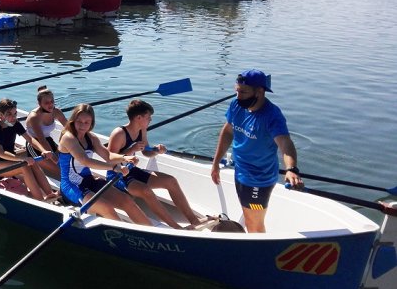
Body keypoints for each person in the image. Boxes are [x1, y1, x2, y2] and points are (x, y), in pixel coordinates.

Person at [210, 70, 302, 233]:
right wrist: (216, 162)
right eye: (237, 91)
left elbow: (285, 143)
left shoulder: (272, 115)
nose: (238, 96)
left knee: (253, 222)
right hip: (240, 172)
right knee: (248, 214)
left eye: (243, 92)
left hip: (259, 181)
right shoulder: (236, 105)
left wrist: (291, 169)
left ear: (260, 91)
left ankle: (258, 253)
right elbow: (228, 131)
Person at [108, 99, 205, 229]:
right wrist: (131, 150)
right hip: (117, 175)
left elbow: (146, 152)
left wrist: (156, 151)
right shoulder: (119, 133)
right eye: (148, 117)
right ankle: (176, 228)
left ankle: (194, 220)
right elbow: (109, 160)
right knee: (146, 191)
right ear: (138, 117)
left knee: (171, 181)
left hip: (132, 170)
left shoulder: (142, 130)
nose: (150, 120)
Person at [58, 104, 151, 224]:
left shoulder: (91, 138)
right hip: (71, 185)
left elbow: (108, 156)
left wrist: (125, 158)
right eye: (79, 121)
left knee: (127, 200)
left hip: (89, 180)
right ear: (73, 121)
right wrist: (114, 167)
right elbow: (86, 161)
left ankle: (152, 232)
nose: (82, 125)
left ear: (91, 124)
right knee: (106, 208)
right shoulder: (68, 138)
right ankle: (124, 237)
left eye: (86, 122)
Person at [0, 98, 58, 202]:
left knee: (33, 163)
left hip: (10, 160)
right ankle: (40, 200)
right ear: (1, 115)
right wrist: (23, 159)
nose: (13, 117)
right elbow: (1, 153)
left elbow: (30, 139)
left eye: (15, 114)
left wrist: (43, 150)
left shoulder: (14, 123)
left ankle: (50, 194)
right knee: (24, 166)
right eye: (9, 114)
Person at [25, 86, 68, 179]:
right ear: (39, 104)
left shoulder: (57, 112)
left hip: (49, 141)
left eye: (52, 101)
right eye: (46, 103)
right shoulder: (34, 117)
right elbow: (42, 140)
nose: (50, 105)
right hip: (34, 144)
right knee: (60, 169)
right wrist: (54, 159)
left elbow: (70, 128)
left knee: (69, 165)